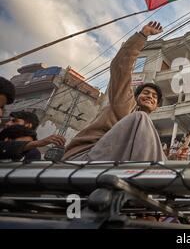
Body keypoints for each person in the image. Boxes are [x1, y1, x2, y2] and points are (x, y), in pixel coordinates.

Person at [63, 21, 166, 162]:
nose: (150, 97)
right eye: (146, 93)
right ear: (135, 97)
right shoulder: (126, 104)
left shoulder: (143, 131)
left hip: (113, 160)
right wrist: (143, 35)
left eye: (154, 96)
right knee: (140, 118)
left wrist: (175, 159)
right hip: (85, 155)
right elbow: (120, 66)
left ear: (157, 106)